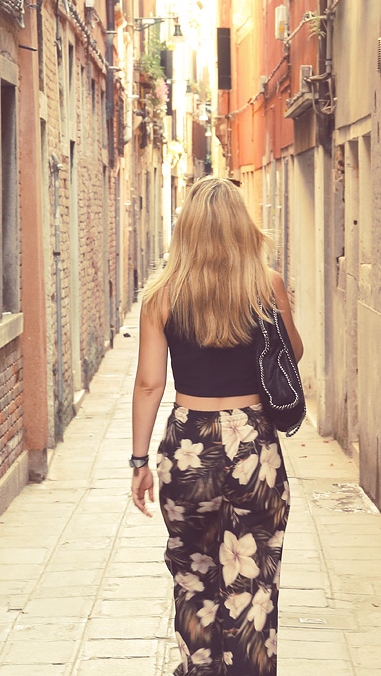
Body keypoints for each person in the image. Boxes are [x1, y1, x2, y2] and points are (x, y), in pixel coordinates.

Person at [130, 176, 304, 675]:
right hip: (253, 444)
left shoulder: (161, 294)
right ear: (241, 227)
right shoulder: (265, 285)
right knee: (254, 583)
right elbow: (290, 355)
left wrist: (140, 461)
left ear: (185, 229)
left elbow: (148, 385)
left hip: (189, 442)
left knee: (194, 577)